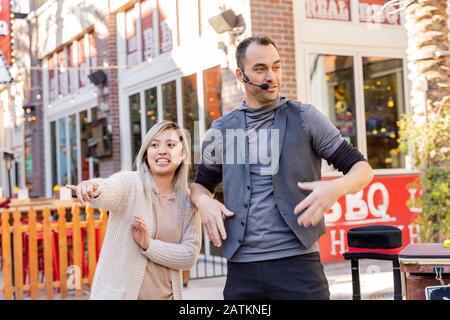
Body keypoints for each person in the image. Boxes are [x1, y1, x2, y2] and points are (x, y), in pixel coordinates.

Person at [190, 36, 374, 300]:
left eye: (276, 67)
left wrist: (335, 189)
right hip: (241, 270)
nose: (272, 76)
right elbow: (199, 186)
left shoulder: (305, 118)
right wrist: (204, 203)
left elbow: (362, 169)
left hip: (298, 266)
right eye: (260, 68)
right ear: (241, 75)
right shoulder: (221, 129)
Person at [67, 121, 201, 300]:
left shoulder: (187, 201)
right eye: (154, 145)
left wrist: (148, 245)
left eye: (170, 145)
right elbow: (110, 189)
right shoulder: (130, 183)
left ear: (183, 153)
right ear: (146, 152)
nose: (161, 150)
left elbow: (189, 256)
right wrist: (92, 188)